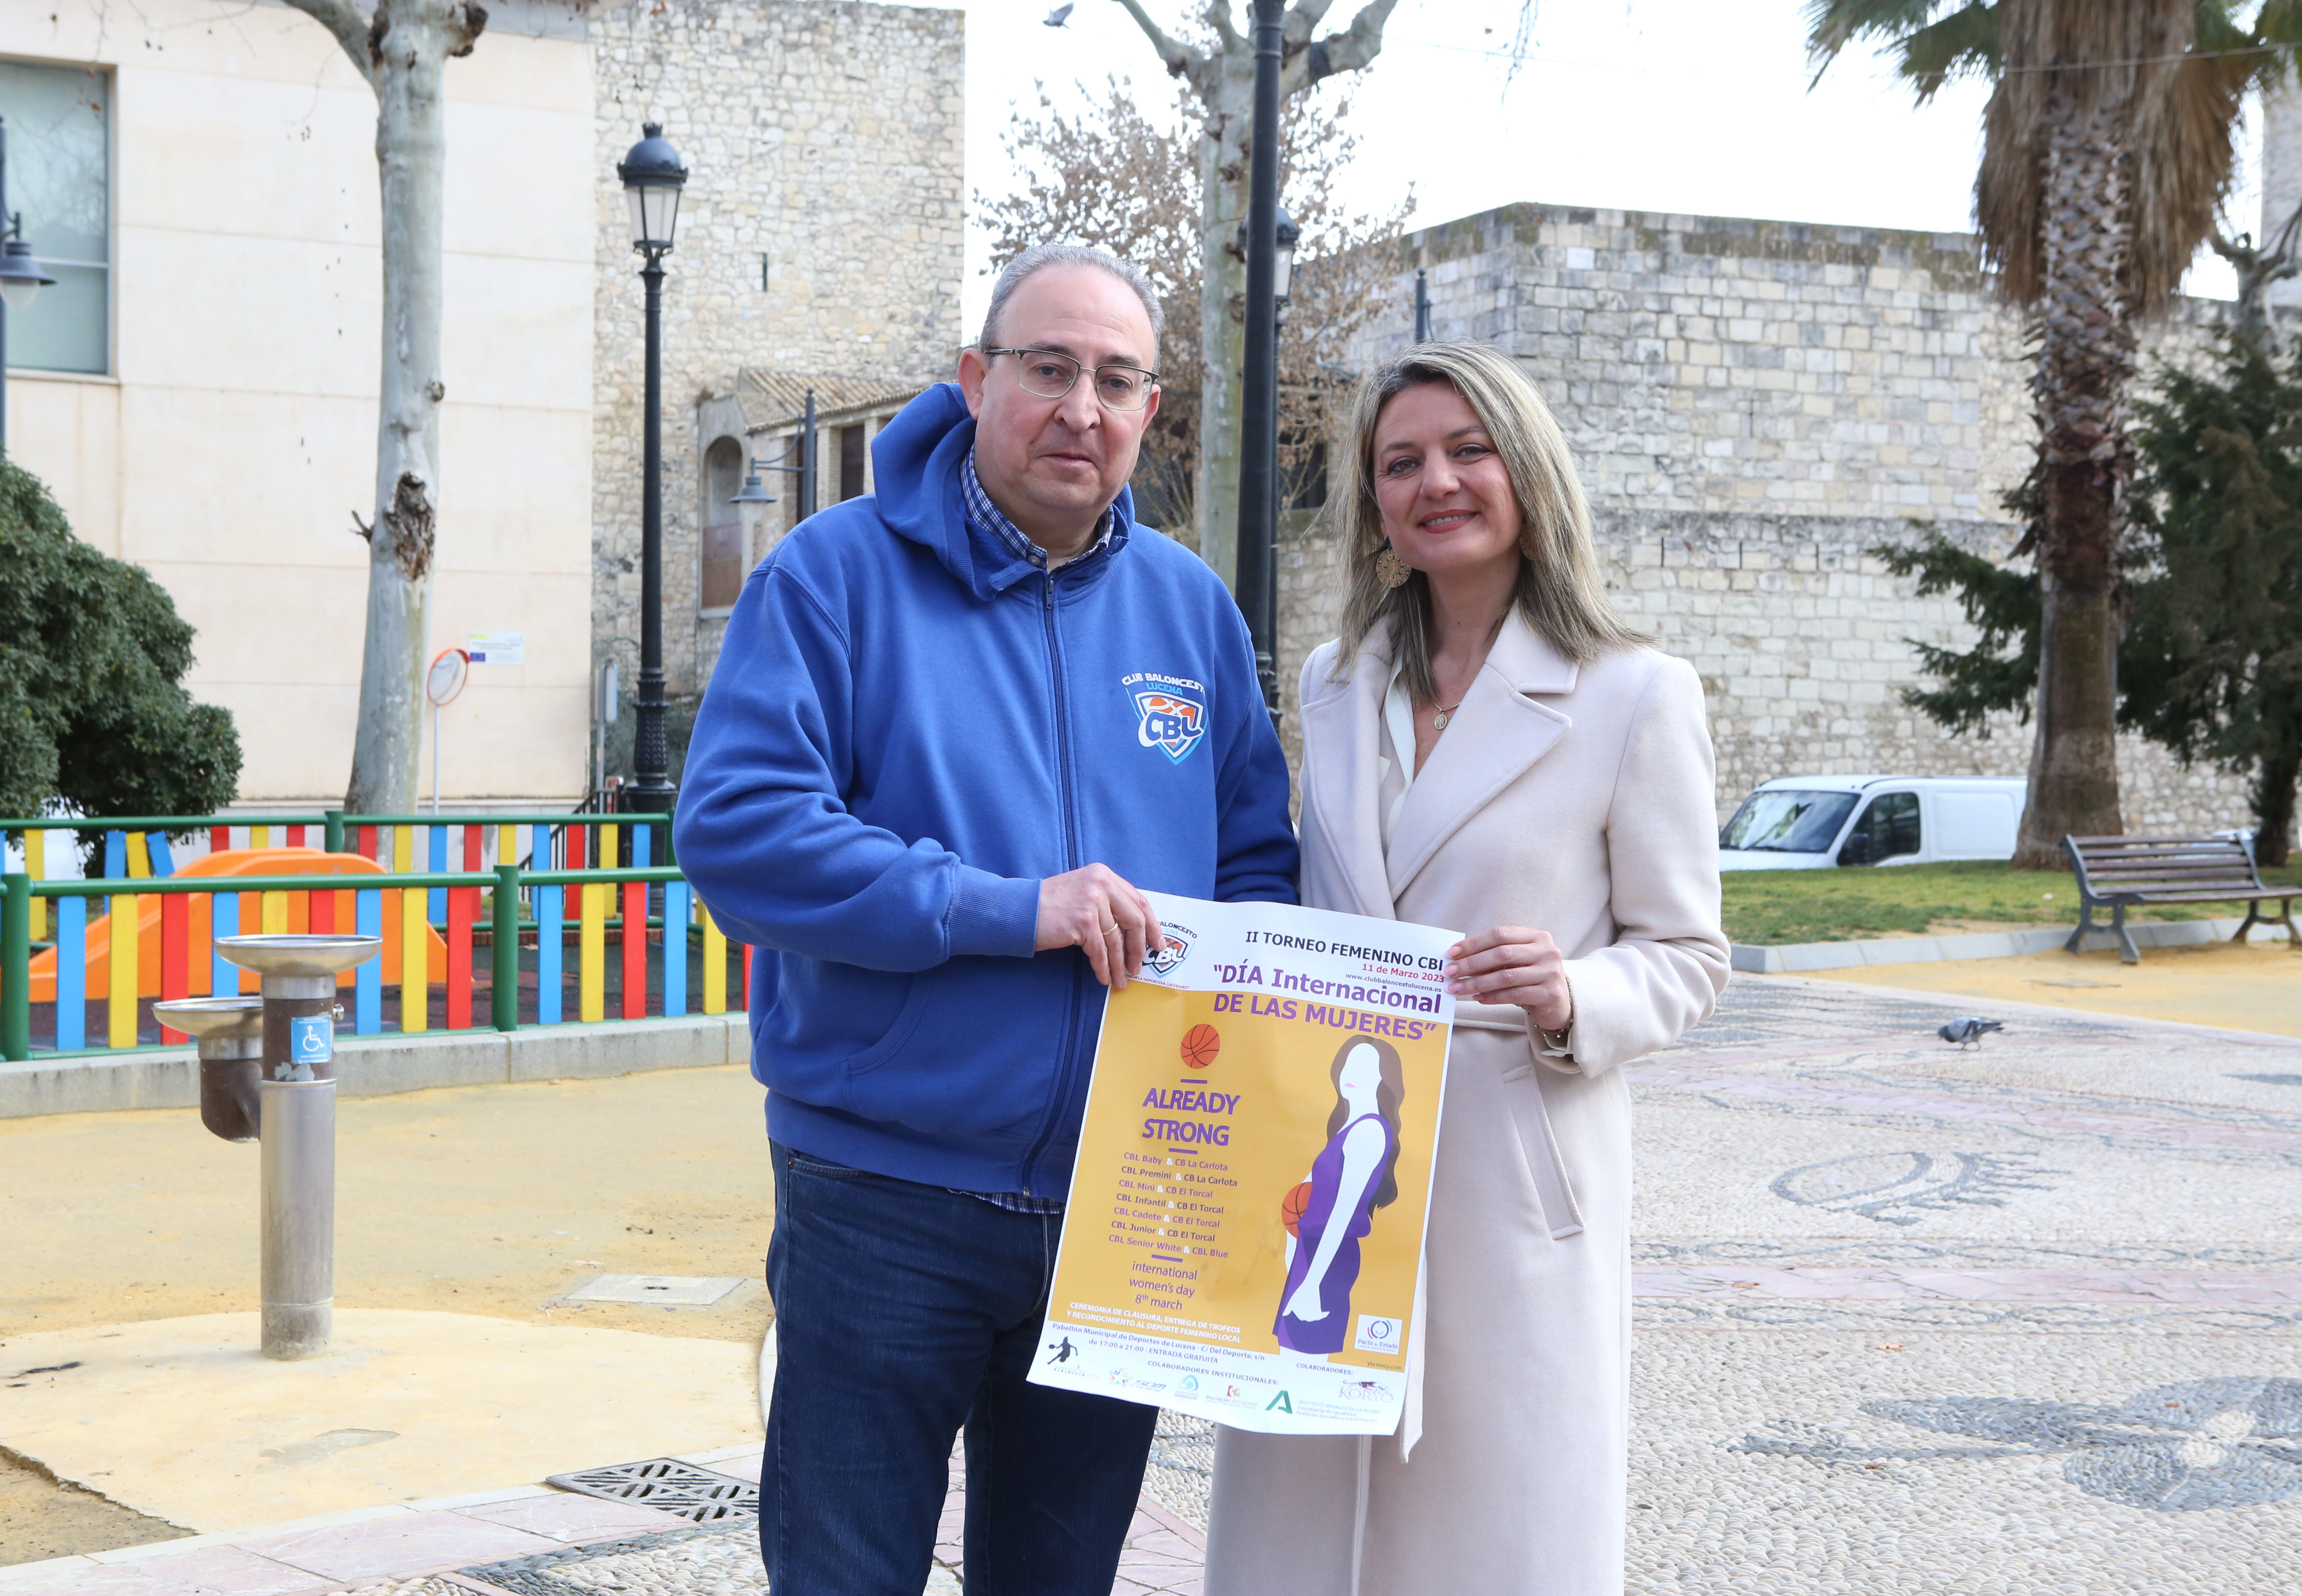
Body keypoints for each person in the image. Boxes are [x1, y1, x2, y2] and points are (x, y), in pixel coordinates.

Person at [674, 243, 1298, 1596]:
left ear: (1149, 410)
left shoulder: (1190, 612)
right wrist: (1008, 911)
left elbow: (1258, 861)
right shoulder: (827, 579)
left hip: (1118, 1209)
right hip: (880, 1197)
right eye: (1050, 368)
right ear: (975, 382)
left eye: (1118, 379)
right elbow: (739, 834)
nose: (1083, 406)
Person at [1205, 342, 1729, 1596]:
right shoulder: (1335, 684)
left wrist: (1574, 994)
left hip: (1512, 1179)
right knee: (1303, 1531)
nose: (1435, 482)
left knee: (1496, 1539)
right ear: (1373, 502)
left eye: (1466, 450)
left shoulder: (1634, 694)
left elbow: (1691, 954)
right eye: (1401, 463)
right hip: (1328, 1176)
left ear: (1528, 473)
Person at [1275, 1036, 1404, 1354]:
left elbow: (1343, 1213)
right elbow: (1310, 1197)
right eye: (1350, 1063)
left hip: (1329, 1257)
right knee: (1290, 1358)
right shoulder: (1349, 1126)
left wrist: (1313, 1282)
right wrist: (1295, 1250)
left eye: (1366, 1068)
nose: (1352, 1074)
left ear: (1382, 1079)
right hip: (1314, 1252)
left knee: (1305, 1362)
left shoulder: (1369, 1131)